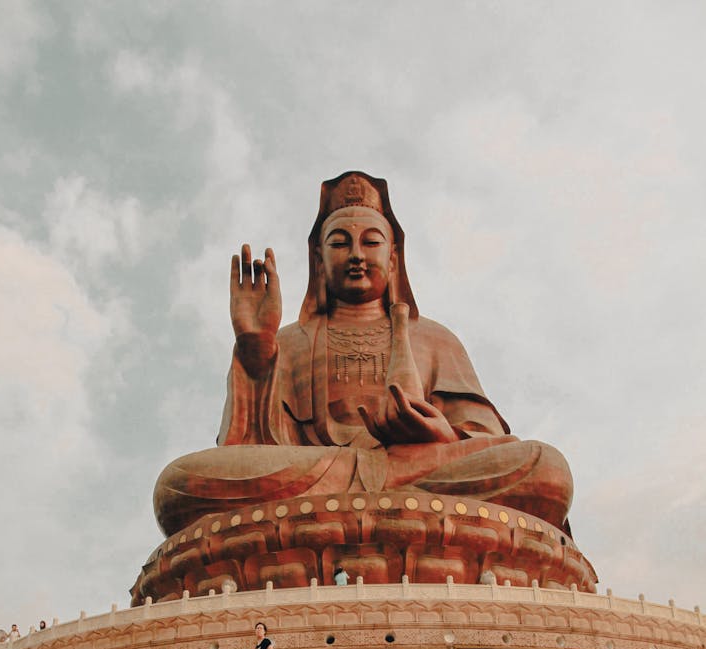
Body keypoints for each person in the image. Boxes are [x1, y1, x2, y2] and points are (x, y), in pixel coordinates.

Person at [154, 171, 574, 538]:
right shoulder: (291, 340)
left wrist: (440, 435)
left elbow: (484, 436)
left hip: (416, 469)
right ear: (319, 260)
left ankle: (369, 499)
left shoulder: (432, 337)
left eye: (370, 242)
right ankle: (380, 502)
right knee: (179, 485)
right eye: (340, 243)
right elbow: (243, 449)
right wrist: (255, 348)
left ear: (392, 259)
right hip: (320, 472)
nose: (356, 255)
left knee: (544, 468)